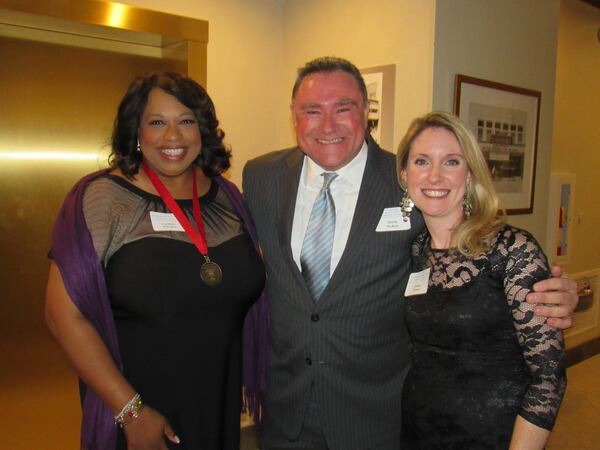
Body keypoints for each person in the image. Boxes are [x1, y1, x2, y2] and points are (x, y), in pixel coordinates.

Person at [242, 57, 576, 450]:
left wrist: (552, 290)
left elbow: (470, 248)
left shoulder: (405, 183)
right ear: (294, 116)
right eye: (312, 111)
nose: (327, 126)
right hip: (287, 414)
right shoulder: (261, 176)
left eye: (343, 109)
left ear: (366, 112)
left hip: (375, 417)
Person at [45, 72, 268, 450]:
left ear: (203, 130)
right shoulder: (103, 199)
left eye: (186, 121)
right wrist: (130, 411)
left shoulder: (229, 197)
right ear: (137, 131)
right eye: (157, 122)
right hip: (136, 409)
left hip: (217, 400)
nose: (173, 137)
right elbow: (62, 314)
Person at [397, 111, 566, 449]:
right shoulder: (413, 249)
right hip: (418, 431)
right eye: (421, 161)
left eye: (451, 162)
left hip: (494, 436)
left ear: (470, 172)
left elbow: (548, 379)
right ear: (404, 175)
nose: (434, 175)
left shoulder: (512, 250)